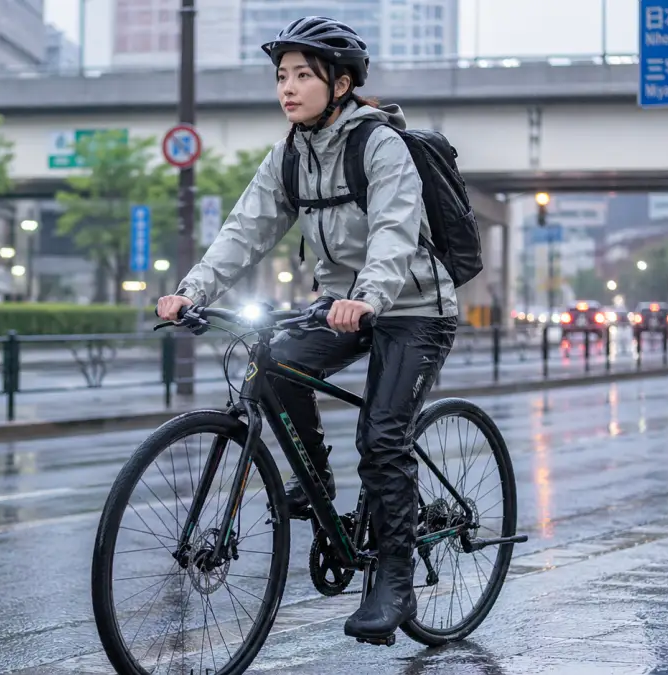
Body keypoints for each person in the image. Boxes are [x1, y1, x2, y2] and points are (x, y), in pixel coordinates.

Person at [155, 16, 458, 640]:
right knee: (275, 364)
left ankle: (394, 584)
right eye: (281, 76)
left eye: (302, 76)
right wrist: (191, 291)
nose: (287, 88)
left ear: (341, 85)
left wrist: (368, 296)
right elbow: (245, 230)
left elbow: (395, 231)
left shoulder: (380, 145)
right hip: (342, 303)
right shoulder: (289, 156)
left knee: (383, 438)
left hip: (414, 308)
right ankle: (314, 477)